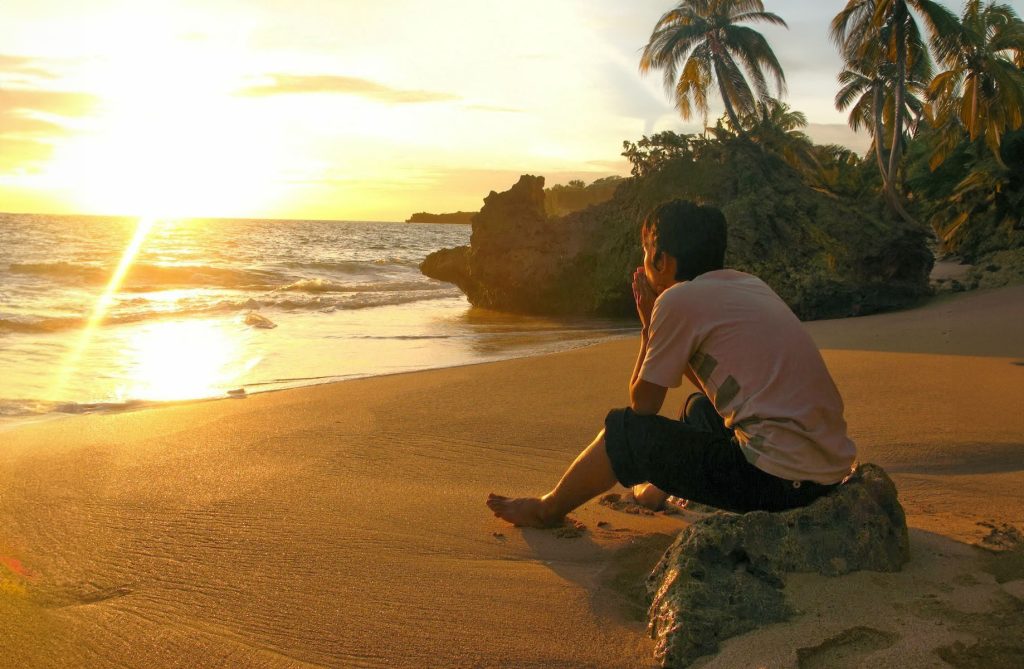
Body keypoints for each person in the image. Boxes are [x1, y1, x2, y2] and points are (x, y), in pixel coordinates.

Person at [486, 199, 856, 527]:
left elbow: (642, 405)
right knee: (700, 408)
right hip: (823, 473)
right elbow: (722, 389)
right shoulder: (748, 284)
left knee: (625, 431)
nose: (644, 262)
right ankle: (654, 493)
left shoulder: (679, 299)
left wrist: (648, 326)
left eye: (647, 252)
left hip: (777, 482)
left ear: (662, 261)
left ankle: (547, 509)